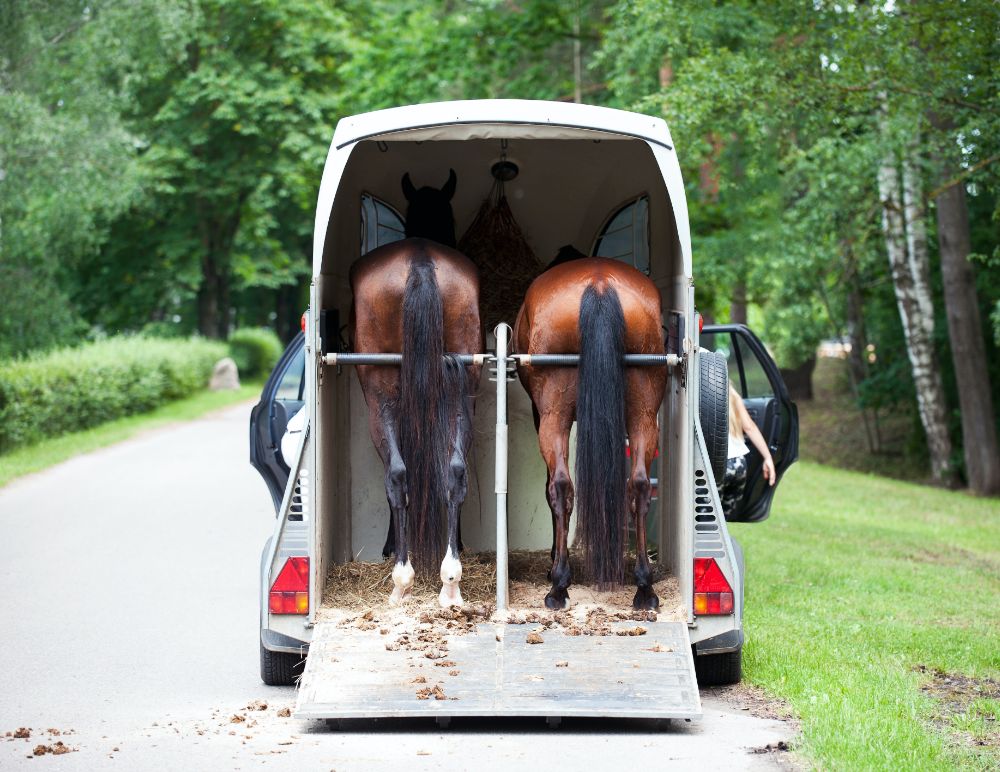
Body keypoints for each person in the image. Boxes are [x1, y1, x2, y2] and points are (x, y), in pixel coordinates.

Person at [719, 385, 776, 518]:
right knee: (722, 517)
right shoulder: (730, 392)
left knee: (707, 516)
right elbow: (749, 427)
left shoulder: (699, 389)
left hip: (717, 463)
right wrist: (768, 457)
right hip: (739, 464)